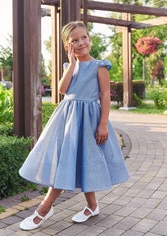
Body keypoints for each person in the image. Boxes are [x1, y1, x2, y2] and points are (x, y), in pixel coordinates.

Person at [19, 21, 130, 230]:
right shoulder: (69, 66)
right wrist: (71, 64)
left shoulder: (100, 66)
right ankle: (92, 206)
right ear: (67, 46)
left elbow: (105, 95)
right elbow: (62, 90)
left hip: (89, 121)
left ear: (90, 39)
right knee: (71, 160)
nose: (80, 43)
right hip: (67, 121)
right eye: (74, 41)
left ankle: (44, 208)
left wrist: (103, 124)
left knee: (77, 161)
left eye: (84, 38)